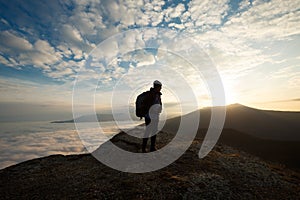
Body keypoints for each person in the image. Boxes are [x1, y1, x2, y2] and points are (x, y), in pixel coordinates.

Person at [142, 80, 162, 153]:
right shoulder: (151, 94)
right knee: (148, 132)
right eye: (160, 87)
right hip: (149, 117)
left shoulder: (158, 94)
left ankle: (152, 147)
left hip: (155, 116)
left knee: (154, 132)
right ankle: (144, 148)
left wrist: (159, 109)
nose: (161, 88)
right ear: (156, 86)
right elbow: (147, 106)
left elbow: (158, 104)